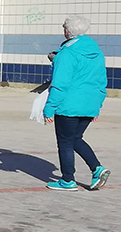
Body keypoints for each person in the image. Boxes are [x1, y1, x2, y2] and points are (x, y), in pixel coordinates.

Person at [43, 15, 108, 192]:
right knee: (75, 139)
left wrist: (49, 108)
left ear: (66, 31)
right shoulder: (96, 52)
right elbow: (102, 81)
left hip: (68, 105)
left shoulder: (67, 53)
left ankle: (67, 180)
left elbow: (60, 84)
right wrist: (97, 106)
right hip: (90, 104)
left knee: (64, 142)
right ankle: (97, 169)